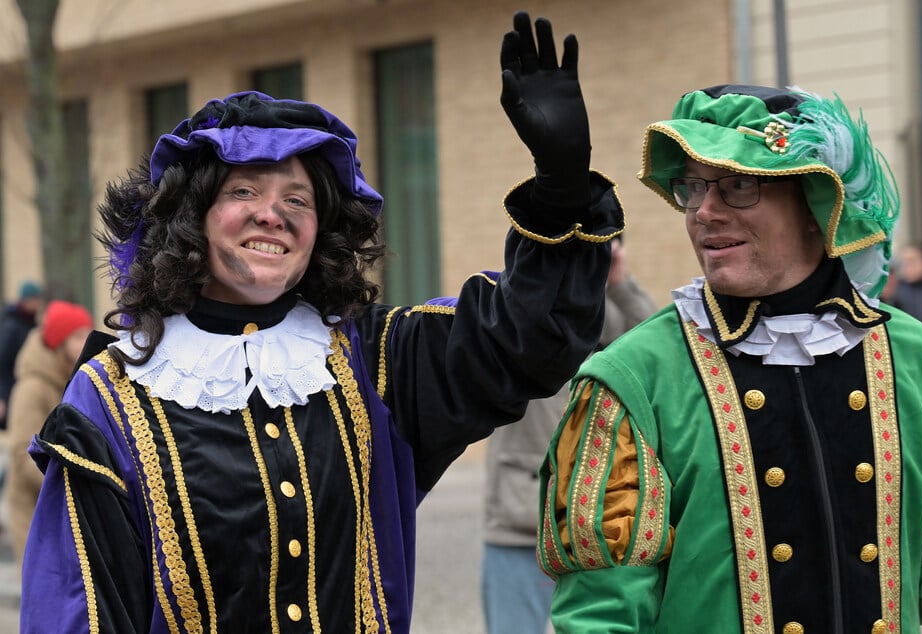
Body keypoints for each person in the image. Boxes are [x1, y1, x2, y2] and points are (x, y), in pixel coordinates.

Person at [20, 11, 623, 633]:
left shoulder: (376, 359)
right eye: (244, 193)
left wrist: (560, 192)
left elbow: (528, 341)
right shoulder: (110, 397)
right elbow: (76, 610)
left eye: (297, 200)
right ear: (191, 217)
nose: (272, 215)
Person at [538, 85, 922, 633]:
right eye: (693, 187)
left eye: (737, 186)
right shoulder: (633, 379)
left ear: (815, 205)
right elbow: (600, 613)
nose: (705, 212)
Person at [481, 237, 655, 634]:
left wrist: (620, 281)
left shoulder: (608, 313)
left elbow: (654, 353)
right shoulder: (519, 310)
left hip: (594, 527)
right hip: (520, 520)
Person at [2, 300, 92, 569]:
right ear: (59, 341)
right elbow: (22, 453)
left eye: (88, 332)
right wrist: (68, 487)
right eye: (78, 335)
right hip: (36, 515)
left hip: (63, 514)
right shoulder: (32, 387)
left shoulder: (74, 378)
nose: (85, 341)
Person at [0, 281, 44, 428]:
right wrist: (2, 397)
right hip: (11, 390)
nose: (37, 303)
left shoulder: (31, 324)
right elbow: (3, 364)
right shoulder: (11, 327)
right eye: (34, 299)